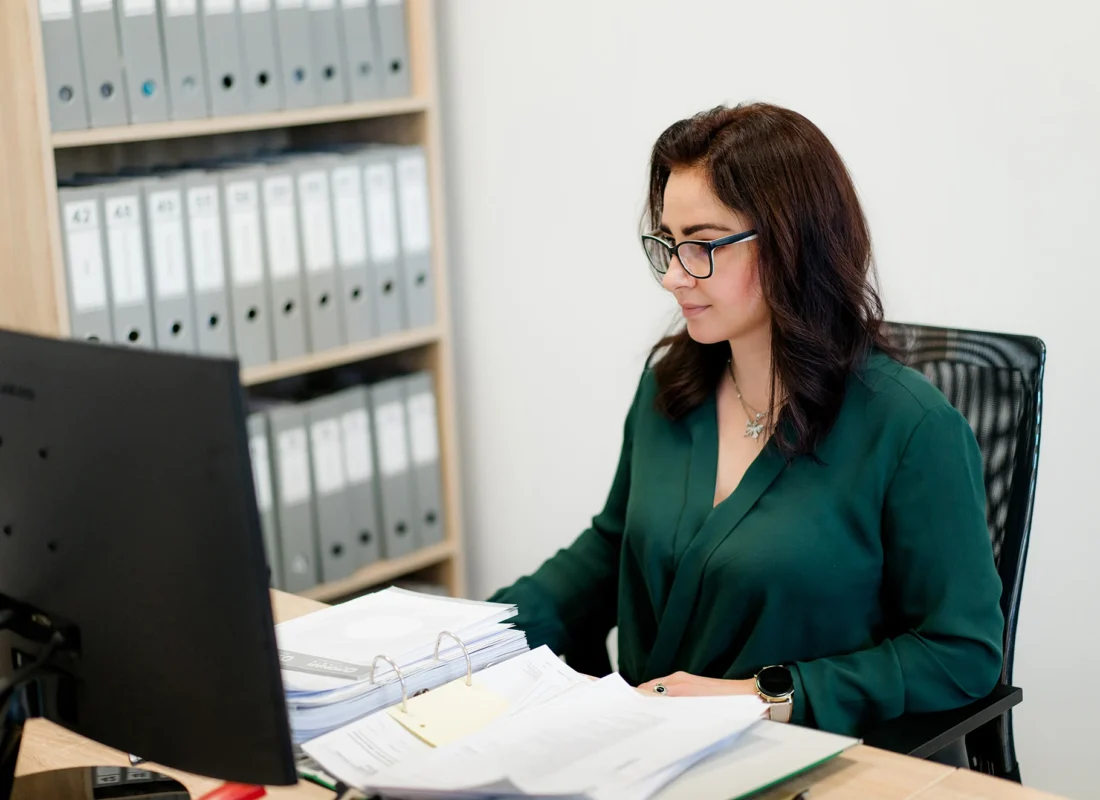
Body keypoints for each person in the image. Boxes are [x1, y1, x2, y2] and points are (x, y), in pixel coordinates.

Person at [488, 102, 1004, 737]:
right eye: (667, 244)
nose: (674, 277)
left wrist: (759, 696)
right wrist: (478, 636)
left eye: (703, 245)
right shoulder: (672, 387)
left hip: (803, 756)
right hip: (643, 745)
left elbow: (961, 653)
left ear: (794, 243)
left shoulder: (911, 428)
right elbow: (614, 548)